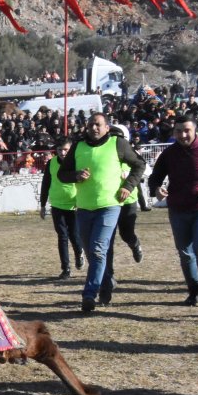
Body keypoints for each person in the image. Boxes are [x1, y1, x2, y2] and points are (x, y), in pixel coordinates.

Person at [59, 113, 145, 312]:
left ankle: (89, 295)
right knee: (92, 254)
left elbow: (139, 164)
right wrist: (75, 175)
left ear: (107, 127)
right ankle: (107, 283)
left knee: (98, 250)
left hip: (109, 206)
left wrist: (129, 186)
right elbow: (62, 174)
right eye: (90, 125)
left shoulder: (118, 144)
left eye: (98, 125)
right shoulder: (78, 146)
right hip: (83, 208)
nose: (93, 128)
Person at [147, 113, 198, 305]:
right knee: (185, 252)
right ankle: (194, 290)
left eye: (187, 131)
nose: (183, 135)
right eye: (178, 131)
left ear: (195, 131)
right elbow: (155, 177)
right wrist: (157, 189)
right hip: (178, 209)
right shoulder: (169, 154)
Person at [39, 139, 83, 279]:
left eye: (66, 150)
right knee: (62, 237)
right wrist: (42, 204)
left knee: (74, 236)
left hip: (74, 205)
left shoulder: (77, 162)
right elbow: (46, 183)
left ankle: (79, 254)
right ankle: (66, 269)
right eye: (60, 150)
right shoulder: (51, 163)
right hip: (57, 205)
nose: (63, 153)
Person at [110, 125, 145, 265]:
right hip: (109, 200)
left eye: (117, 136)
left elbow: (141, 171)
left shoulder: (131, 154)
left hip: (128, 201)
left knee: (126, 233)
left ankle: (135, 245)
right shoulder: (107, 152)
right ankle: (106, 269)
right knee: (107, 237)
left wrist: (128, 179)